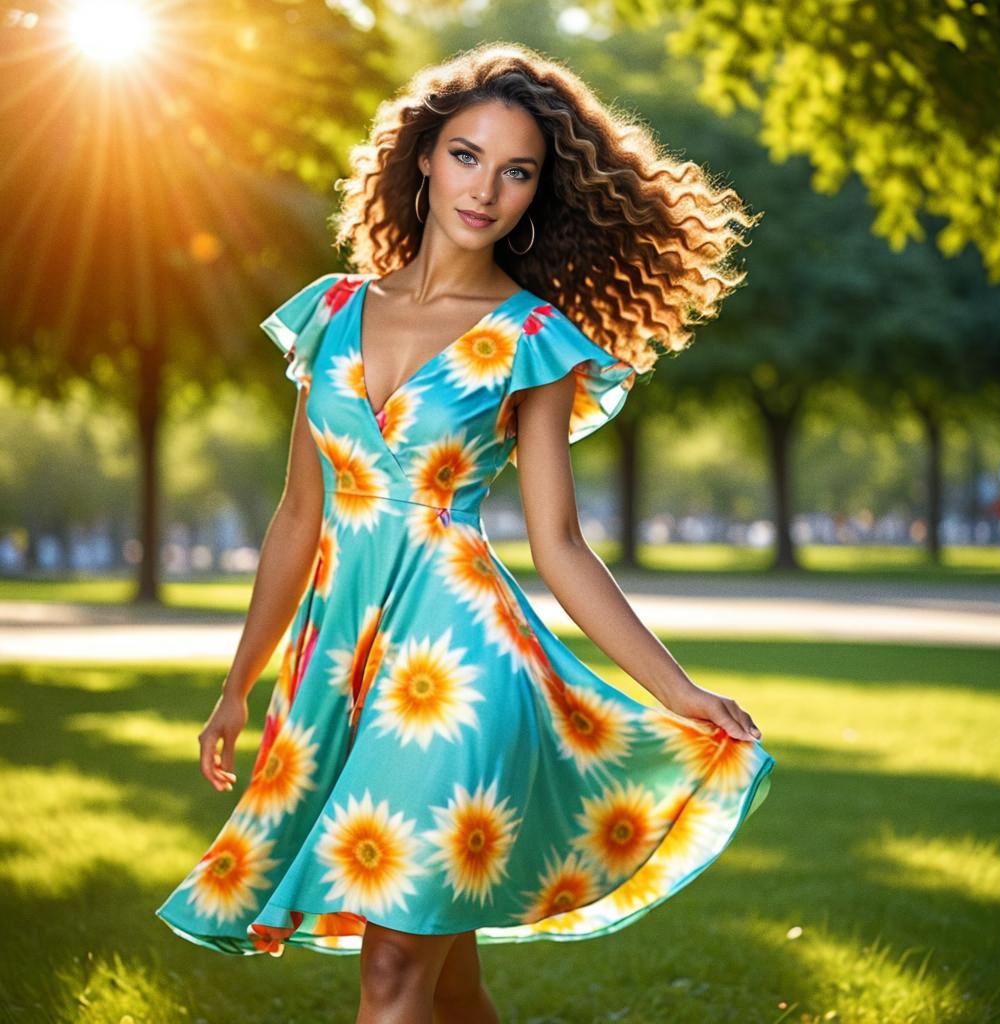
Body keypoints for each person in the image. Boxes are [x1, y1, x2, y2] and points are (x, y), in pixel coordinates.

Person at [155, 41, 775, 1024]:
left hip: (464, 672)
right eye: (466, 156)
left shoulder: (534, 339)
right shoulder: (331, 313)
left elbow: (560, 543)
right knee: (447, 988)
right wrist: (239, 684)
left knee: (395, 976)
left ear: (538, 192)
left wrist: (679, 689)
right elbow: (297, 517)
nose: (486, 188)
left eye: (517, 169)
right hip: (343, 662)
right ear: (422, 159)